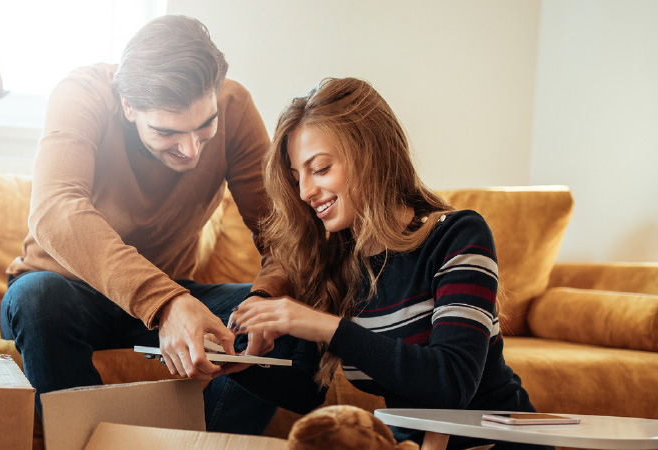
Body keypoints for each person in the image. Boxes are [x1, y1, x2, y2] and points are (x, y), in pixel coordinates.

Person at [221, 77, 549, 449]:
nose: (305, 192)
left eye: (321, 169)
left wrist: (325, 326)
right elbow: (305, 391)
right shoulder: (335, 260)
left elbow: (451, 384)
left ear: (371, 154)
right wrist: (237, 365)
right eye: (297, 177)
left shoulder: (456, 235)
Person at [0, 15, 286, 433]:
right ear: (128, 105)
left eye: (205, 127)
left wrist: (265, 299)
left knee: (287, 318)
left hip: (164, 299)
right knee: (38, 297)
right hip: (65, 296)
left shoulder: (235, 106)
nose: (191, 151)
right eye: (168, 132)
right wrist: (166, 302)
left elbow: (282, 235)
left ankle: (207, 444)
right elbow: (55, 210)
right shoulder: (83, 94)